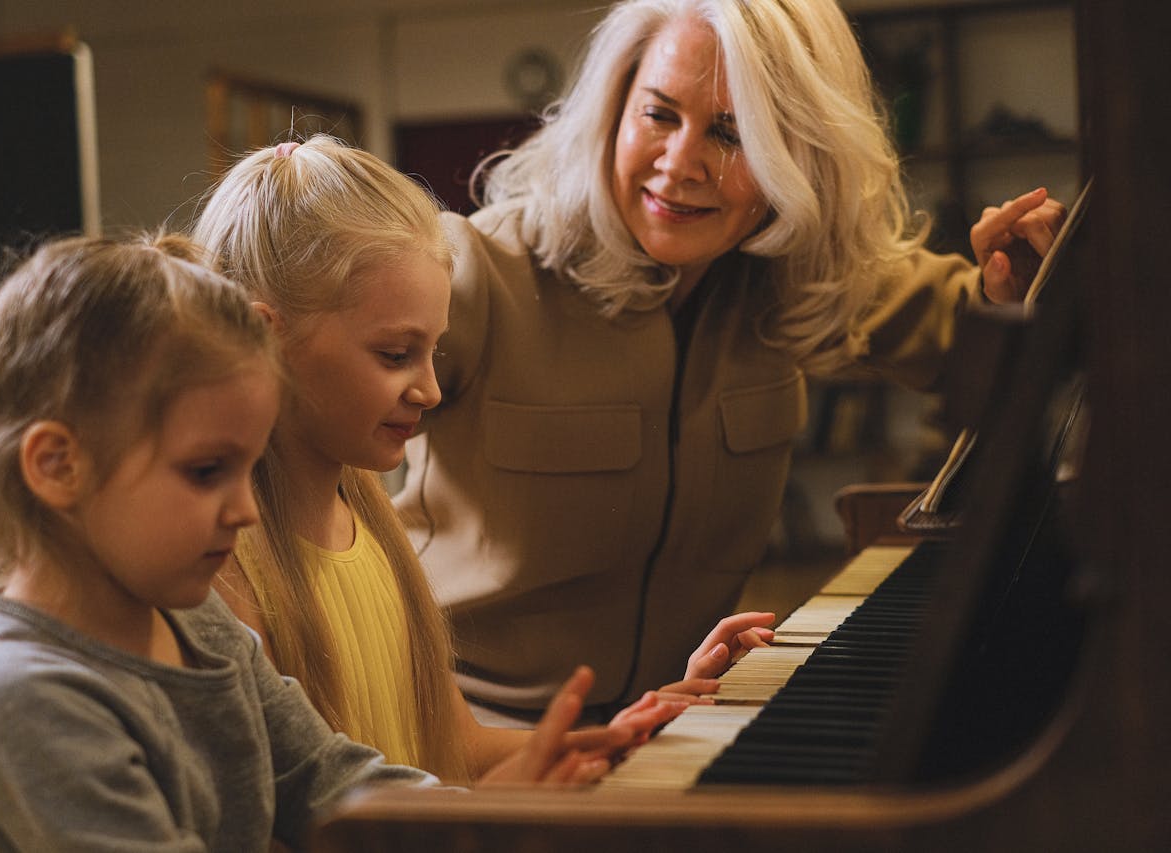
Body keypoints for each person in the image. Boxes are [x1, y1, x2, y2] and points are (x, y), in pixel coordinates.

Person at [391, 0, 1068, 725]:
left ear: (798, 155)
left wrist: (1014, 289)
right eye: (658, 115)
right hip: (470, 729)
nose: (680, 164)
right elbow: (298, 450)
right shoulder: (473, 269)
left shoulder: (797, 275)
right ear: (614, 109)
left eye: (731, 132)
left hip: (677, 720)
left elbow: (972, 333)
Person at [0, 233, 631, 852]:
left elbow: (331, 780)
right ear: (59, 465)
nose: (246, 509)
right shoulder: (24, 698)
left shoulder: (190, 617)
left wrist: (474, 813)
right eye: (206, 470)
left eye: (249, 468)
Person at [190, 134, 705, 784]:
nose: (431, 389)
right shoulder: (222, 571)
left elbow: (453, 748)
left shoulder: (378, 531)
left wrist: (629, 733)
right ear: (267, 338)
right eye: (395, 354)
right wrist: (497, 806)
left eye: (434, 352)